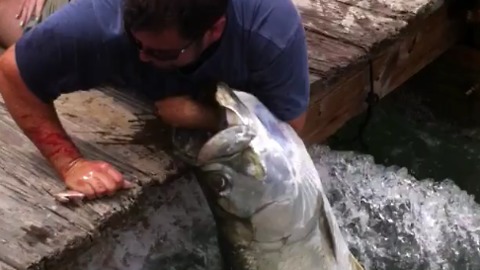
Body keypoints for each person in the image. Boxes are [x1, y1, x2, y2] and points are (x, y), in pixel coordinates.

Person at [0, 0, 311, 200]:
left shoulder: (270, 29)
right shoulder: (101, 21)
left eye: (161, 52)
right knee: (14, 18)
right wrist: (71, 164)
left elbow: (290, 128)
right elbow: (13, 74)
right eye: (136, 43)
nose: (142, 56)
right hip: (85, 15)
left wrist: (206, 116)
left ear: (213, 31)